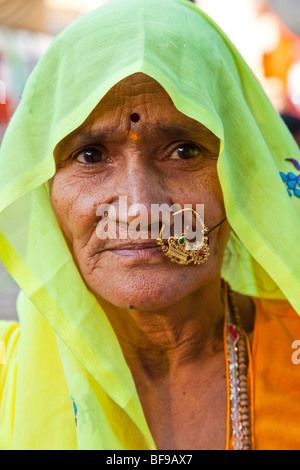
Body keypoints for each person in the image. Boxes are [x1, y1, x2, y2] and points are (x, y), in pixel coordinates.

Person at [0, 0, 300, 451]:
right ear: (45, 189)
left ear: (244, 172)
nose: (139, 207)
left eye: (184, 150)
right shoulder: (8, 379)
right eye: (90, 155)